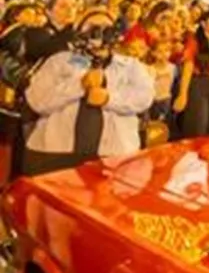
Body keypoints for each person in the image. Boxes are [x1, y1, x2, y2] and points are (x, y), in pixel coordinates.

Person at [23, 10, 154, 175]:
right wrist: (78, 85)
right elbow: (37, 100)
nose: (99, 34)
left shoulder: (131, 66)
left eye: (106, 28)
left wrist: (108, 98)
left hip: (114, 153)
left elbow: (144, 98)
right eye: (92, 27)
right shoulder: (58, 61)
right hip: (55, 152)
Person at [24, 0, 79, 64]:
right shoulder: (36, 31)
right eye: (63, 6)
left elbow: (79, 62)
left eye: (74, 6)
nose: (70, 10)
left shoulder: (76, 32)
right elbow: (42, 54)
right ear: (48, 11)